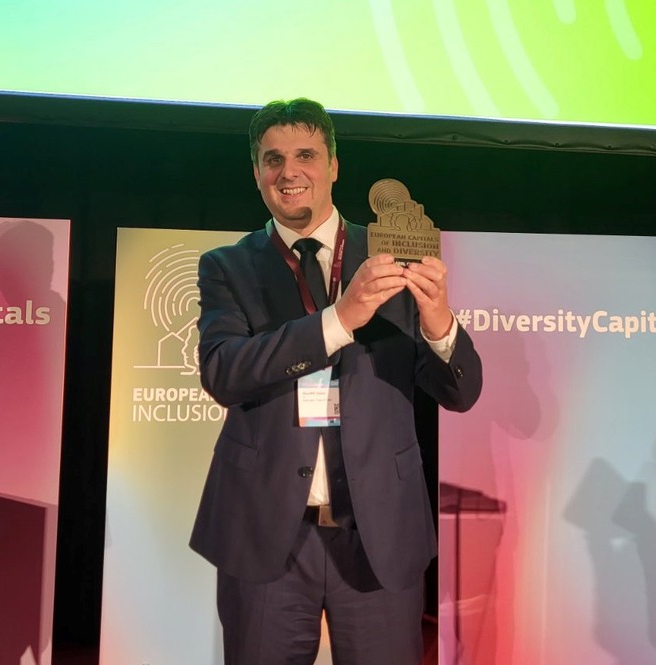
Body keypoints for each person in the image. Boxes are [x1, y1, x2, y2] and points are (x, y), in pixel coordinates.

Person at [190, 98, 482, 665]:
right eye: (273, 159)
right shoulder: (227, 266)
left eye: (305, 155)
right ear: (256, 172)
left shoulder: (391, 254)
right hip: (267, 530)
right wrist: (339, 319)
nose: (289, 172)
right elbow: (223, 372)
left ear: (333, 165)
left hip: (378, 530)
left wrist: (439, 323)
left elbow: (460, 392)